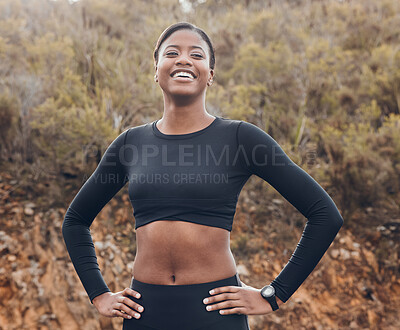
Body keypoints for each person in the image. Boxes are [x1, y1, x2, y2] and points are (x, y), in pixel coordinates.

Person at [62, 22, 344, 330]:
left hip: (215, 312)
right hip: (144, 313)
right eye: (172, 53)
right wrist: (99, 294)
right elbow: (75, 220)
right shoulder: (130, 144)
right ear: (156, 70)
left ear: (209, 75)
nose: (184, 60)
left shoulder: (241, 139)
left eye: (196, 55)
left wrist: (274, 294)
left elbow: (324, 214)